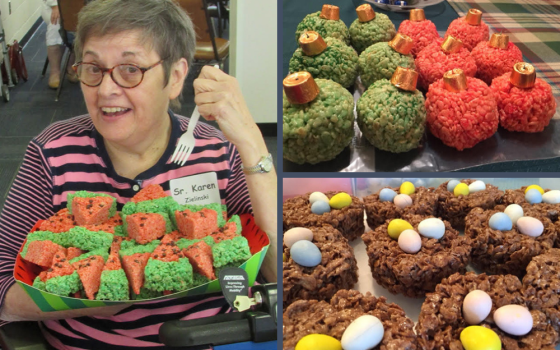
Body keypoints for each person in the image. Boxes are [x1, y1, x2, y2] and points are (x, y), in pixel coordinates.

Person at [0, 0, 277, 348]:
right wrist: (90, 297)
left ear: (175, 77)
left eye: (130, 69)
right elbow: (3, 289)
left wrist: (253, 145)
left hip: (210, 339)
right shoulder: (51, 153)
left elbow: (277, 272)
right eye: (93, 68)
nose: (105, 90)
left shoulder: (218, 152)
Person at [41, 0, 80, 88]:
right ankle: (55, 72)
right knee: (56, 24)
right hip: (55, 6)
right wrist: (55, 5)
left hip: (82, 5)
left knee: (86, 24)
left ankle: (72, 66)